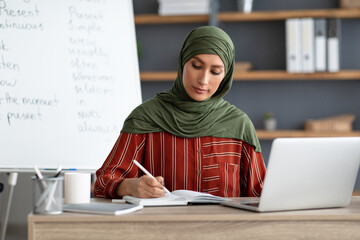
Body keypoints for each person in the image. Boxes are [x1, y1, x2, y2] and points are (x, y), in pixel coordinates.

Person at [94, 26, 266, 199]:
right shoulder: (145, 117)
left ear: (226, 76)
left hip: (223, 226)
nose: (203, 80)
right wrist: (128, 187)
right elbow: (102, 182)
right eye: (196, 66)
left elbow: (262, 194)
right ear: (183, 62)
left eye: (215, 72)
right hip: (160, 225)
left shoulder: (239, 125)